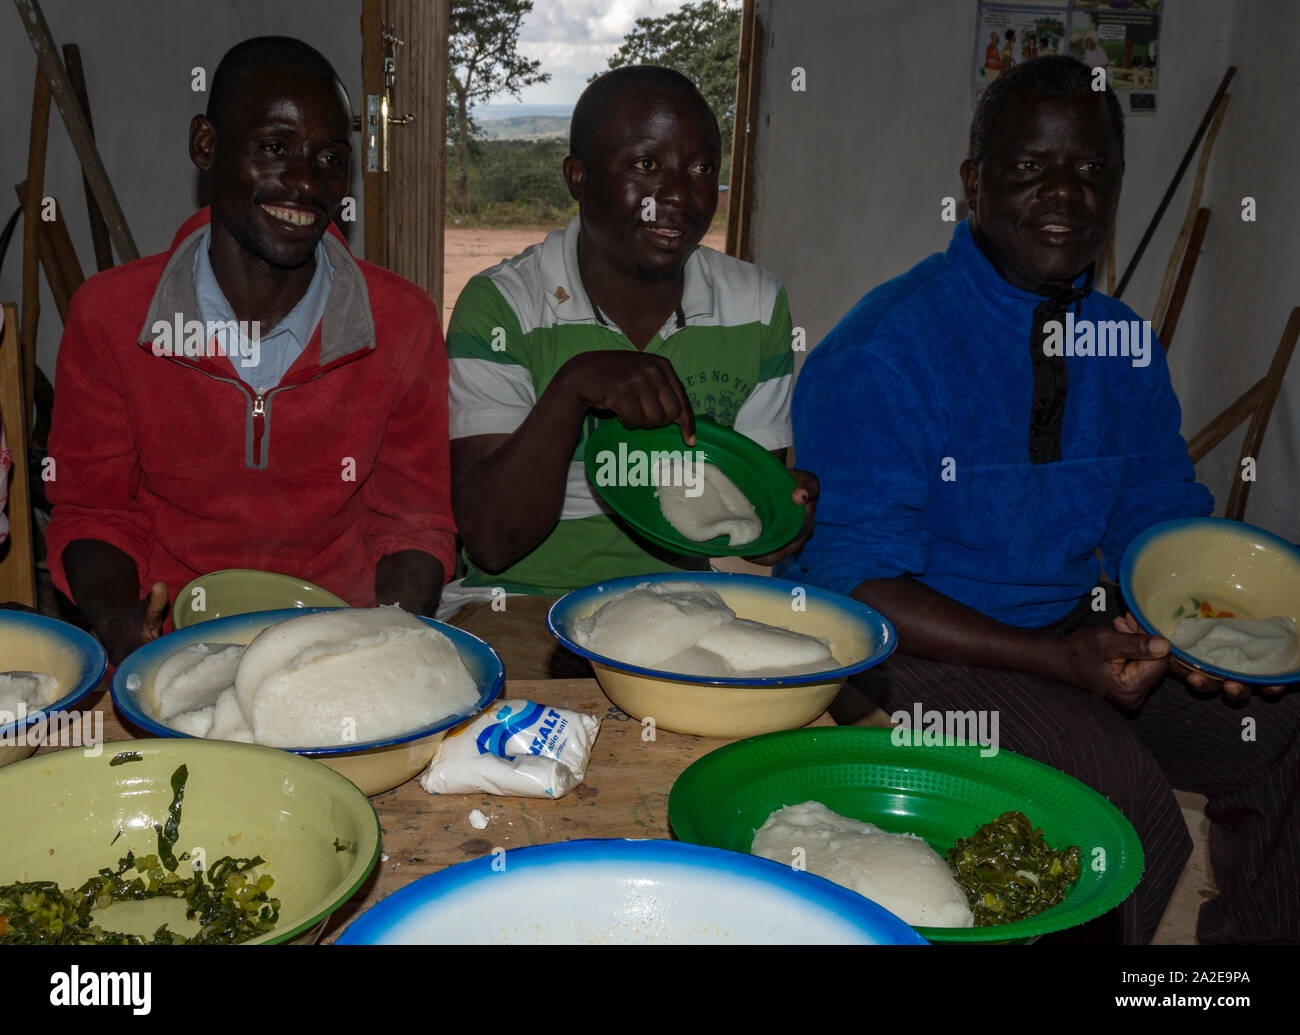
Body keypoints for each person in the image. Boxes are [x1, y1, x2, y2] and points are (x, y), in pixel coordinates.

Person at [784, 56, 1298, 944]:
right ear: (973, 183)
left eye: (1092, 170)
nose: (1065, 192)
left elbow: (1157, 516)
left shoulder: (1122, 344)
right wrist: (1058, 662)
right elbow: (859, 585)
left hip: (1074, 629)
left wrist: (1204, 632)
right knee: (1121, 809)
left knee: (1284, 724)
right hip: (912, 654)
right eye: (1030, 167)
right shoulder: (888, 348)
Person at [45, 37, 455, 664]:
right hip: (171, 637)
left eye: (329, 158)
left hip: (337, 642)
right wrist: (120, 622)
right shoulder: (111, 317)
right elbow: (93, 510)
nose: (305, 182)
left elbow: (413, 524)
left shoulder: (401, 323)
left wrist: (385, 646)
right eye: (274, 148)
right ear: (206, 145)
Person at [444, 66, 815, 677]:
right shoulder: (504, 305)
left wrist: (780, 520)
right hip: (523, 603)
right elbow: (492, 539)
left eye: (701, 169)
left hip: (690, 605)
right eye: (646, 165)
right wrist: (573, 388)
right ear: (578, 177)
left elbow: (742, 522)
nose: (678, 194)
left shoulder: (754, 305)